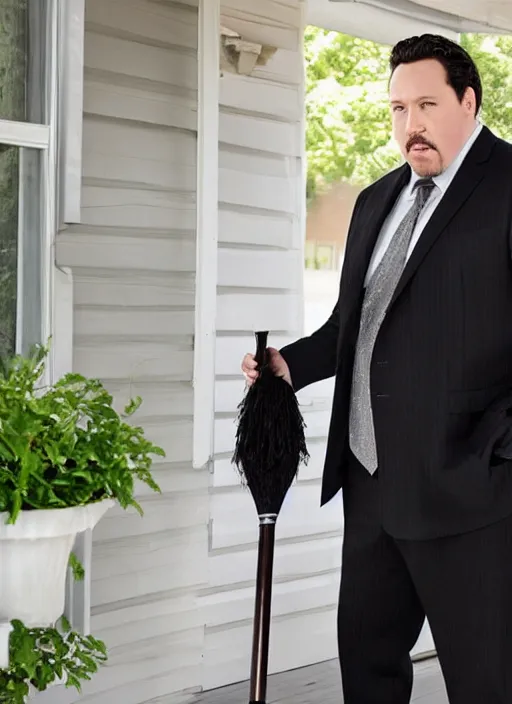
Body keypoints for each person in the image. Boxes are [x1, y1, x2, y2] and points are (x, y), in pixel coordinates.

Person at [241, 34, 512, 704]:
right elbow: (352, 327)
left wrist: (497, 452)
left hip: (470, 493)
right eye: (397, 108)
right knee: (367, 674)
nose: (410, 125)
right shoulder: (378, 200)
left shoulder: (508, 186)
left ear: (468, 101)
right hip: (370, 490)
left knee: (486, 684)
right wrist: (288, 366)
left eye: (426, 104)